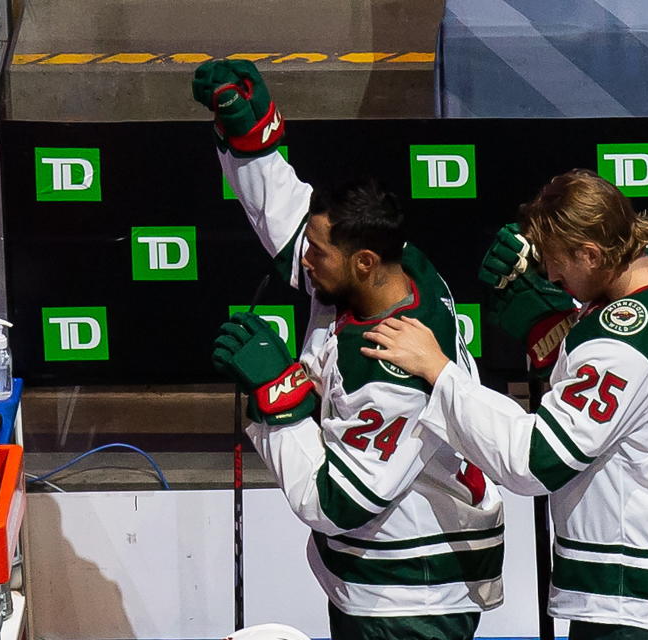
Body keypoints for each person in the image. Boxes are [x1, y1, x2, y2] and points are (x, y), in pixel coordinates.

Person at [191, 59, 504, 640]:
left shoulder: (394, 369)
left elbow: (334, 504)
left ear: (363, 262)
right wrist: (251, 140)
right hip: (381, 577)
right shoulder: (395, 266)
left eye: (318, 254)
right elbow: (291, 221)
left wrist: (278, 401)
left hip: (411, 598)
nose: (304, 261)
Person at [363, 169, 648, 640]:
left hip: (638, 592)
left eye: (558, 261)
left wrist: (440, 372)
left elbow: (534, 461)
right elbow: (630, 389)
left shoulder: (616, 349)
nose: (550, 274)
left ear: (591, 253)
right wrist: (557, 326)